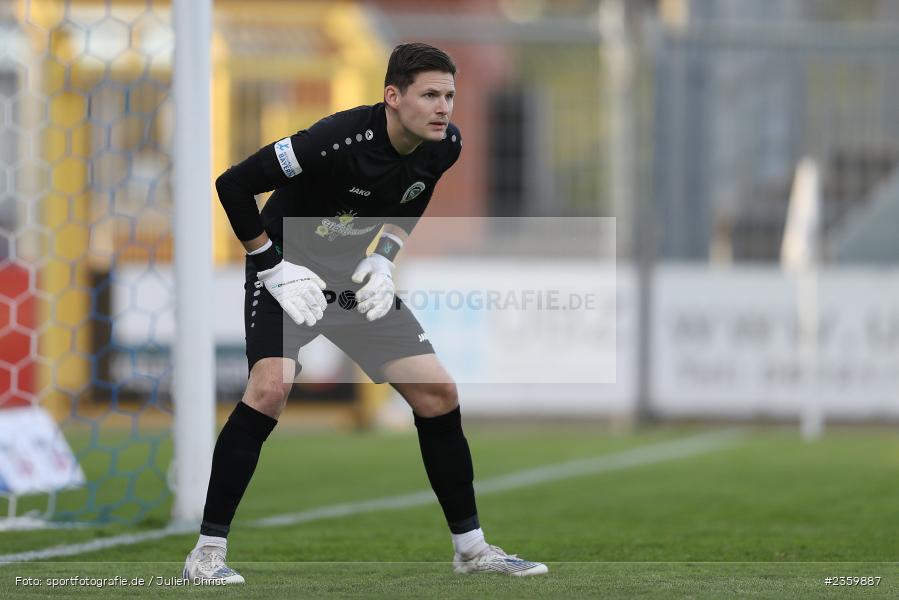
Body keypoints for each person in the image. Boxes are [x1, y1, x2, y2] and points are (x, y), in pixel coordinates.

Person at [182, 42, 547, 584]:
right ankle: (205, 555)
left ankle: (473, 551)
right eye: (430, 95)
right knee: (269, 388)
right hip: (289, 275)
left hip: (352, 280)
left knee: (438, 393)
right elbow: (232, 185)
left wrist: (384, 256)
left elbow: (414, 197)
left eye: (449, 95)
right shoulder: (335, 139)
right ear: (393, 96)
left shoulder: (444, 145)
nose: (443, 107)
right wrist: (272, 267)